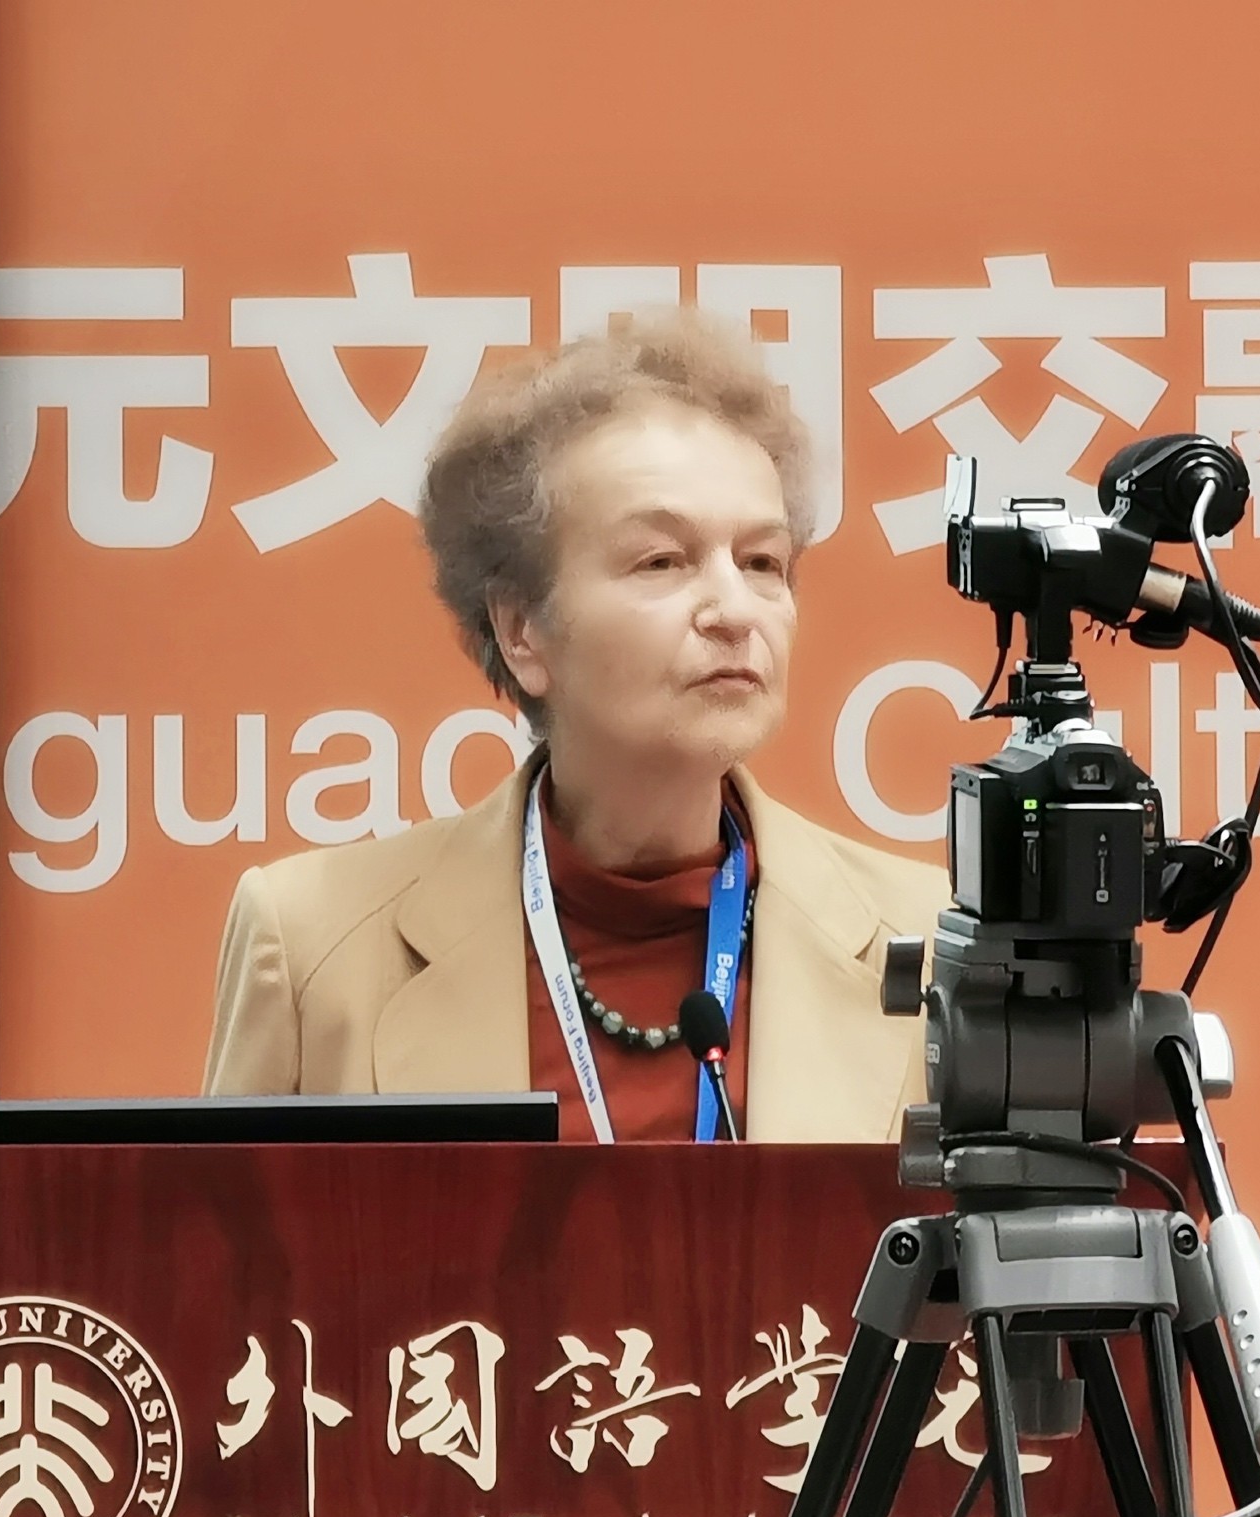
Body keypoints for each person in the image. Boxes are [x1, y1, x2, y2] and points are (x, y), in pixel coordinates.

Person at [203, 311, 948, 1141]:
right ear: (522, 630)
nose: (735, 610)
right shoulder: (314, 946)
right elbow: (218, 1230)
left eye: (762, 562)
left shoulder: (933, 939)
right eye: (661, 560)